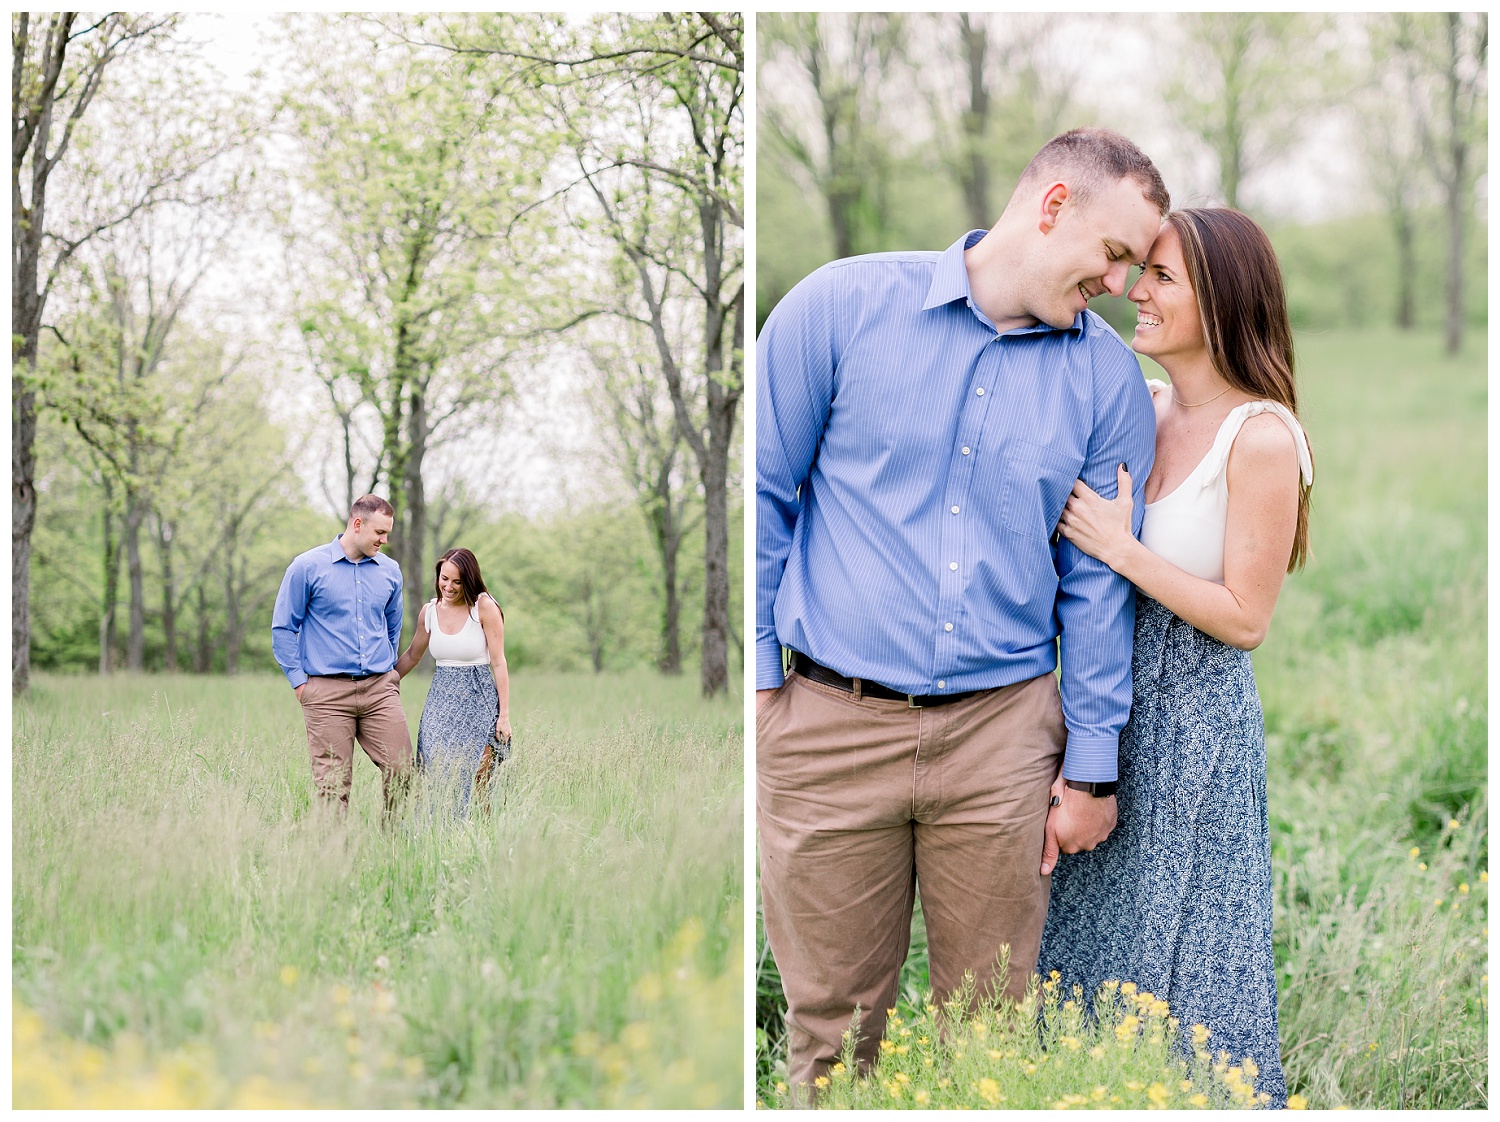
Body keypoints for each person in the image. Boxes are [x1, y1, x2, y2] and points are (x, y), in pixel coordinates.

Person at [756, 128, 1169, 1098]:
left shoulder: (1107, 381)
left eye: (1138, 268)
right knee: (831, 1032)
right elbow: (764, 497)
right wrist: (766, 693)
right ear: (1054, 204)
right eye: (1115, 255)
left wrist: (1093, 765)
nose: (1120, 284)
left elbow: (1096, 583)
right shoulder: (838, 309)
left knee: (986, 1040)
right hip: (825, 725)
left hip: (1002, 741)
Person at [1038, 208, 1314, 1108]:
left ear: (1222, 301)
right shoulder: (1146, 408)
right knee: (1087, 946)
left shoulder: (1261, 438)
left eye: (1161, 278)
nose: (1134, 291)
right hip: (1108, 706)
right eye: (1139, 271)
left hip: (1195, 726)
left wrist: (1125, 551)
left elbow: (1245, 618)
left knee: (1188, 957)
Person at [272, 494, 412, 822]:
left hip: (380, 690)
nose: (385, 540)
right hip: (325, 693)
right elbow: (282, 628)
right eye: (380, 532)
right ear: (357, 523)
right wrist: (300, 684)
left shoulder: (390, 571)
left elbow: (393, 627)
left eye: (388, 533)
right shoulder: (307, 567)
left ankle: (395, 847)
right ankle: (334, 862)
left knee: (403, 769)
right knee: (333, 786)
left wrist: (388, 674)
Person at [394, 547, 510, 820]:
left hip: (478, 700)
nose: (448, 586)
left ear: (468, 580)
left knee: (481, 775)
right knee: (435, 772)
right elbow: (412, 654)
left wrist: (503, 716)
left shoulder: (484, 607)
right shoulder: (429, 611)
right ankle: (439, 832)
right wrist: (385, 680)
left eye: (457, 581)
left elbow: (499, 663)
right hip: (440, 704)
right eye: (444, 578)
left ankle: (482, 832)